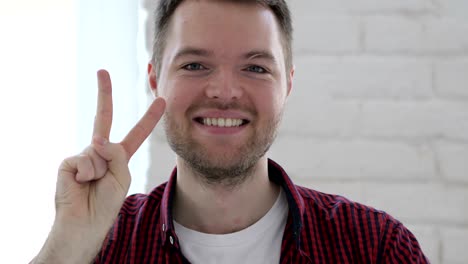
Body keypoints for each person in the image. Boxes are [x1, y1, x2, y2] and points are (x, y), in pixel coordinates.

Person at [32, 0, 429, 263]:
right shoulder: (101, 245)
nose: (223, 91)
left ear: (287, 85)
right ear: (154, 80)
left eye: (255, 67)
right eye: (194, 65)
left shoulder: (376, 247)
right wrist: (68, 247)